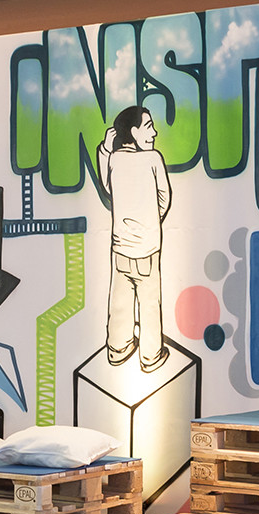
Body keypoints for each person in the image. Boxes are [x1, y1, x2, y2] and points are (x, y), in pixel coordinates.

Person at [97, 106, 171, 372]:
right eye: (148, 126)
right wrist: (150, 221)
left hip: (120, 247)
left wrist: (104, 150)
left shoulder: (115, 159)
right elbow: (164, 197)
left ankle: (118, 349)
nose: (154, 132)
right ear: (133, 131)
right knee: (149, 303)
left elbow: (108, 187)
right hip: (147, 248)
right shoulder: (153, 159)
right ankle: (150, 356)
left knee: (120, 301)